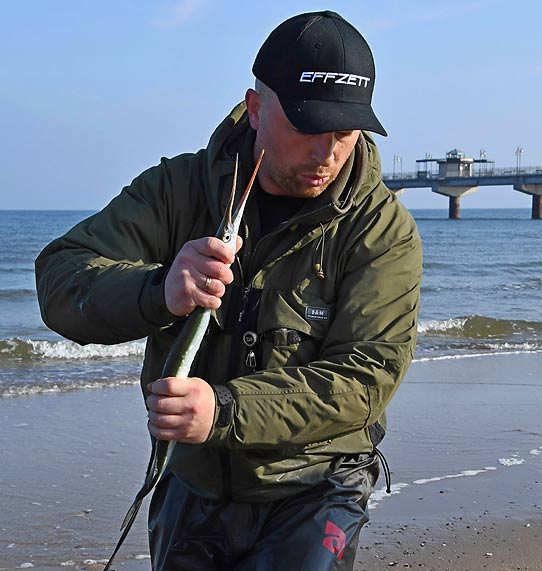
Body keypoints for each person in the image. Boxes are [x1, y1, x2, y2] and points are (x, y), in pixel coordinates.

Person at [35, 10, 422, 571]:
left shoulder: (382, 229)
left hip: (317, 481)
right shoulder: (177, 188)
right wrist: (158, 289)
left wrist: (222, 410)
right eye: (309, 129)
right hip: (193, 478)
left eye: (345, 133)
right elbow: (59, 278)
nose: (328, 153)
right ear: (257, 108)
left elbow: (365, 378)